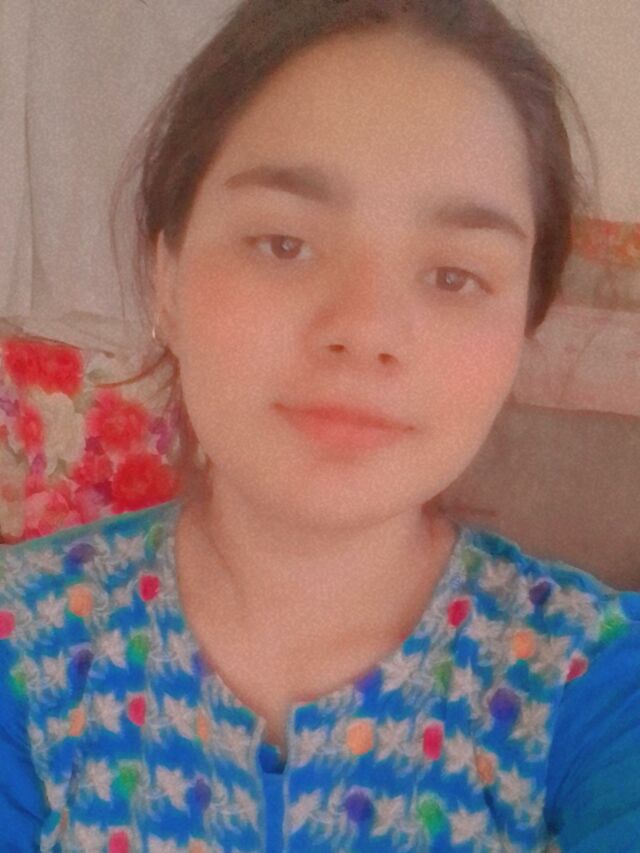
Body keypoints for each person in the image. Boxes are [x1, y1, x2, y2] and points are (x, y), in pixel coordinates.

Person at [1, 0, 639, 849]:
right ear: (166, 280)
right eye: (284, 243)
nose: (365, 328)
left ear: (522, 327)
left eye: (453, 275)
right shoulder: (25, 645)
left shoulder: (588, 672)